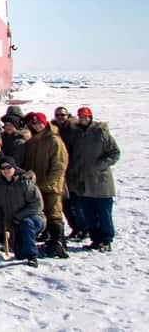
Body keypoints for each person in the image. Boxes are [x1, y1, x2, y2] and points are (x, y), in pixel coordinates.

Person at [67, 107, 120, 252]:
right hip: (83, 181)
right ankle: (95, 239)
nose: (83, 119)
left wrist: (100, 165)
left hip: (100, 182)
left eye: (85, 117)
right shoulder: (76, 134)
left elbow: (115, 152)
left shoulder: (100, 132)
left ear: (90, 117)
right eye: (80, 117)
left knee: (103, 213)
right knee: (89, 214)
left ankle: (106, 240)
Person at [21, 112, 69, 259]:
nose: (37, 126)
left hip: (51, 185)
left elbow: (59, 165)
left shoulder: (54, 140)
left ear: (45, 123)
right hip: (37, 184)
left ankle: (58, 242)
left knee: (54, 212)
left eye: (39, 123)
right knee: (43, 213)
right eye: (34, 124)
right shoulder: (32, 141)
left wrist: (49, 182)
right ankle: (49, 240)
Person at [0, 156, 44, 267]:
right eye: (3, 168)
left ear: (14, 168)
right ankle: (32, 249)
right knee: (20, 253)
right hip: (14, 224)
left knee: (26, 223)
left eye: (9, 167)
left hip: (34, 218)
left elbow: (37, 204)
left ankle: (32, 257)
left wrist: (19, 216)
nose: (6, 171)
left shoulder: (25, 182)